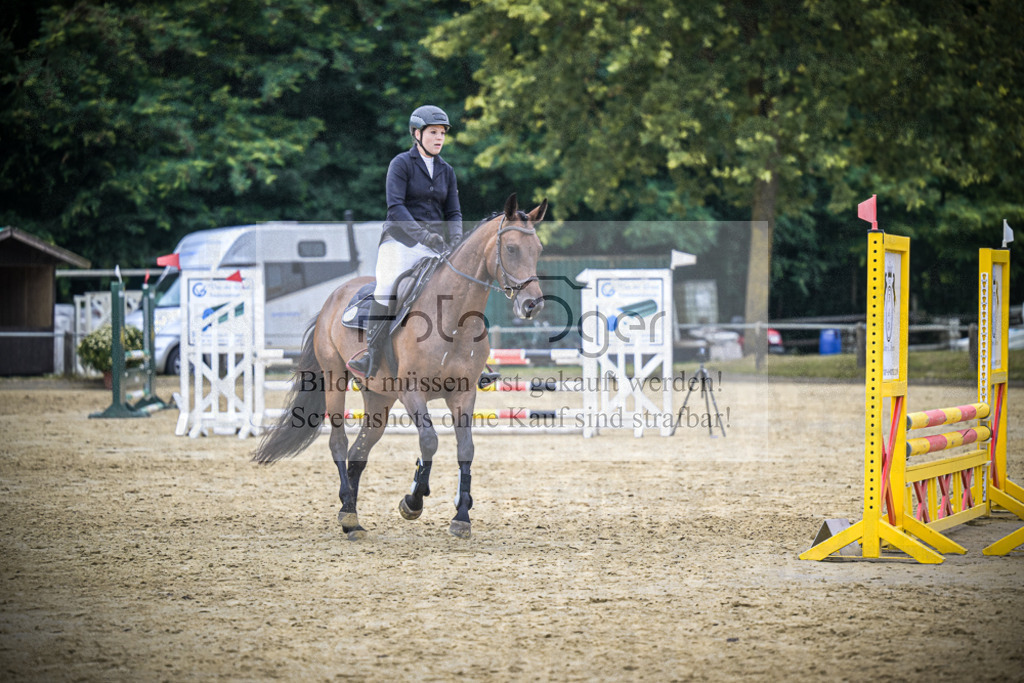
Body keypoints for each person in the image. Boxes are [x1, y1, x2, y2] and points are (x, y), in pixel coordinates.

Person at [346, 104, 463, 379]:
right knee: (388, 287)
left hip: (435, 247)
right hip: (400, 243)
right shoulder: (401, 164)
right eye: (433, 132)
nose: (439, 138)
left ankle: (469, 356)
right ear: (417, 133)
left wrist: (456, 240)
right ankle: (371, 355)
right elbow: (396, 207)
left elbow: (454, 211)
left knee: (458, 289)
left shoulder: (447, 170)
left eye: (443, 133)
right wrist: (424, 236)